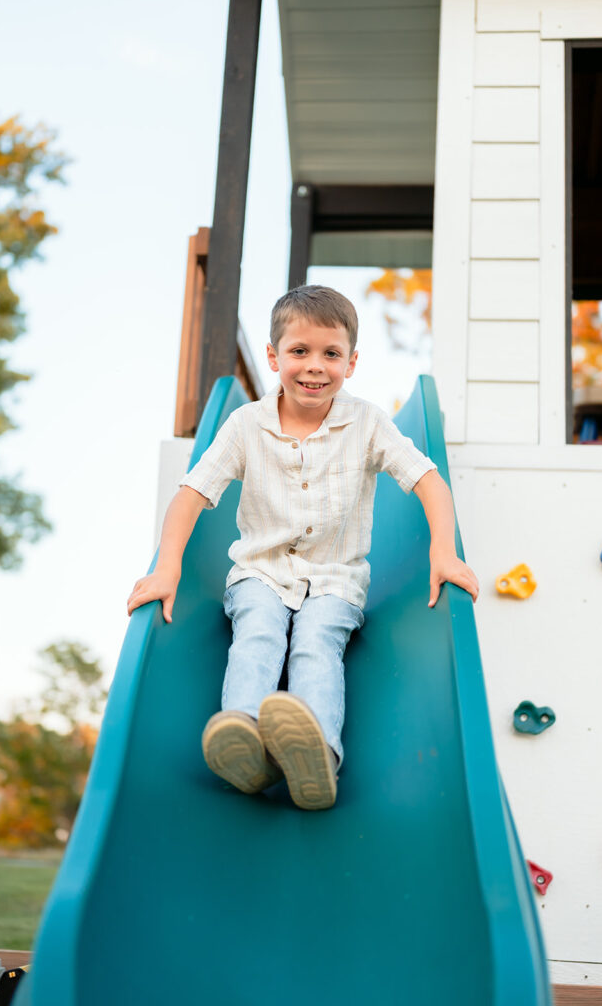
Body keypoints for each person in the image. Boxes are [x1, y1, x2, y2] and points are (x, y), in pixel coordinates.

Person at [127, 285, 479, 811]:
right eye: (299, 352)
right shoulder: (247, 425)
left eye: (331, 354)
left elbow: (426, 479)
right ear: (274, 357)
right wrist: (167, 569)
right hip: (260, 572)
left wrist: (444, 553)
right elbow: (191, 495)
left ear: (351, 363)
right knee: (259, 633)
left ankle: (318, 757)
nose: (315, 367)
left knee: (316, 642)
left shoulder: (367, 422)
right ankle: (244, 737)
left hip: (335, 578)